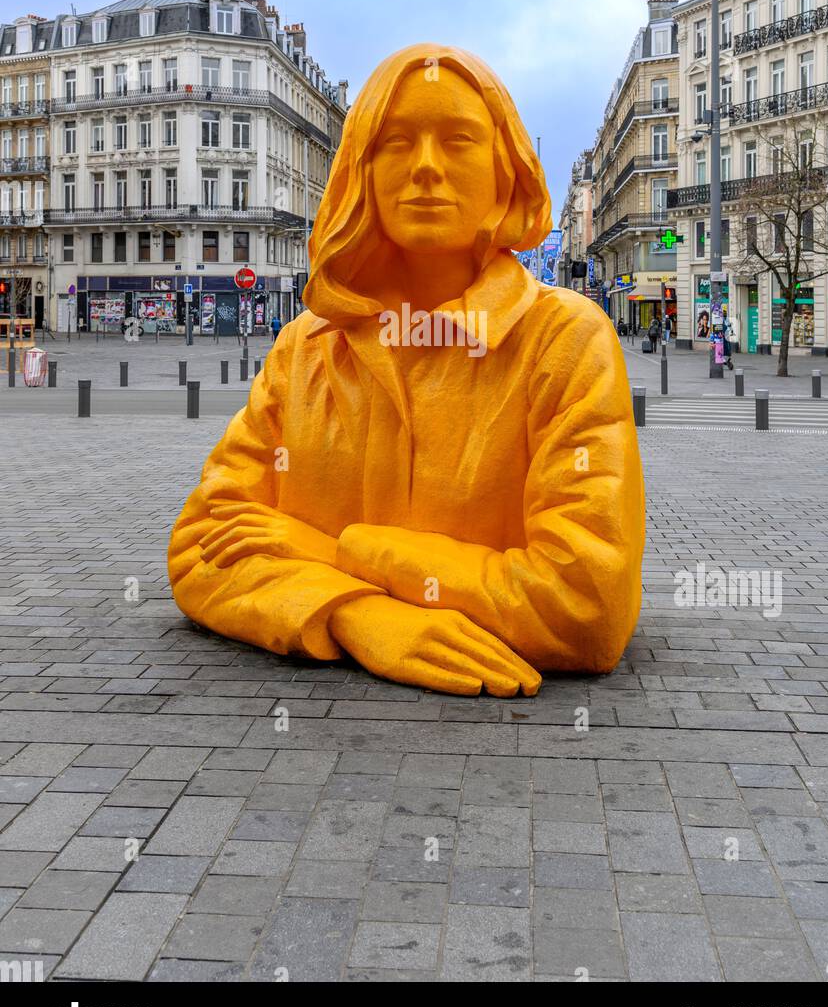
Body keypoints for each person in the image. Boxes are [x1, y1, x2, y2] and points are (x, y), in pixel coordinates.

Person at [168, 44, 645, 697]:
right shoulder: (304, 347)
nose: (425, 167)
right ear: (361, 167)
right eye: (396, 142)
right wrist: (357, 614)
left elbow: (585, 607)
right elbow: (200, 545)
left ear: (506, 169)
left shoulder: (563, 339)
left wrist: (334, 551)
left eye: (458, 140)